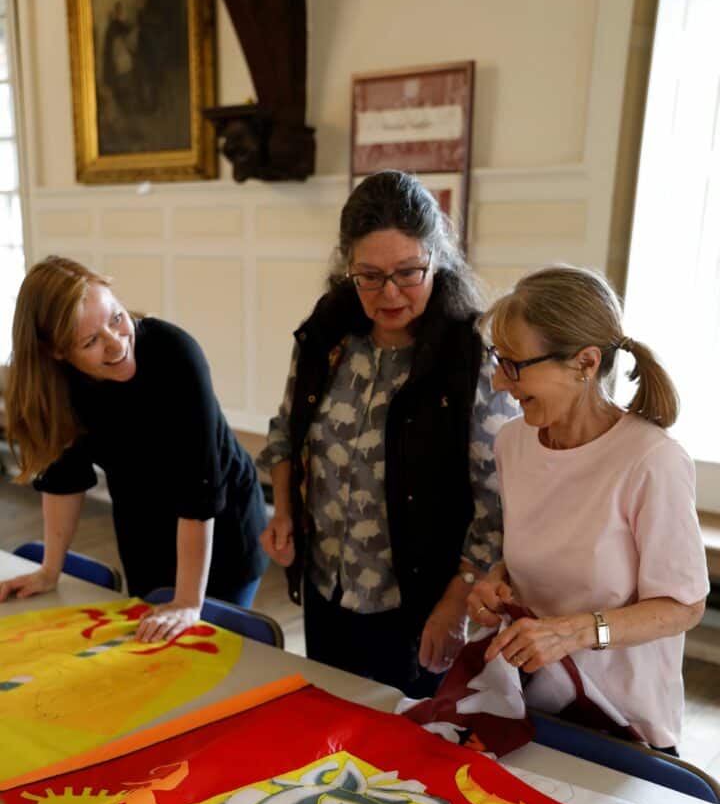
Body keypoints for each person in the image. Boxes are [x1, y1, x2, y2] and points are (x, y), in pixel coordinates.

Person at [257, 170, 516, 697]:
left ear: (437, 258)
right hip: (327, 591)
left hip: (419, 602)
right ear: (346, 267)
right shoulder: (327, 334)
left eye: (407, 272)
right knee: (330, 731)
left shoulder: (469, 359)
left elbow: (495, 501)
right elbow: (286, 431)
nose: (388, 293)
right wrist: (283, 510)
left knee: (409, 760)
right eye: (369, 276)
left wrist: (454, 601)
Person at [467, 265, 708, 752]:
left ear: (585, 363)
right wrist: (497, 581)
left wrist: (574, 633)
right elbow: (533, 556)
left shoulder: (652, 460)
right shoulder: (514, 443)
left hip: (625, 726)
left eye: (514, 364)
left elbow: (684, 606)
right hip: (532, 706)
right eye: (498, 359)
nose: (497, 381)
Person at [0, 256, 267, 642]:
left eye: (116, 318)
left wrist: (189, 602)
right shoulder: (59, 389)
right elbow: (64, 481)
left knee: (206, 650)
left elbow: (200, 492)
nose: (117, 344)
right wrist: (49, 570)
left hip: (221, 530)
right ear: (57, 353)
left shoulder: (176, 354)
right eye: (91, 341)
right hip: (144, 527)